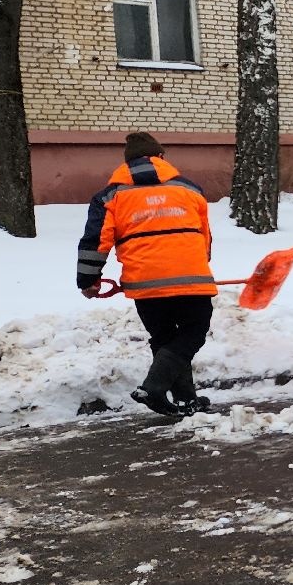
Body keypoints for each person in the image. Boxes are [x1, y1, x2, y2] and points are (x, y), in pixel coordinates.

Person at [75, 132, 218, 417]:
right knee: (193, 333)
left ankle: (185, 400)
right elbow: (205, 236)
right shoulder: (190, 189)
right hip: (191, 278)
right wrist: (197, 264)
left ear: (126, 163)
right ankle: (153, 387)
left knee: (165, 338)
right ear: (161, 157)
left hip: (145, 284)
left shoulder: (110, 195)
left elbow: (95, 240)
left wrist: (88, 280)